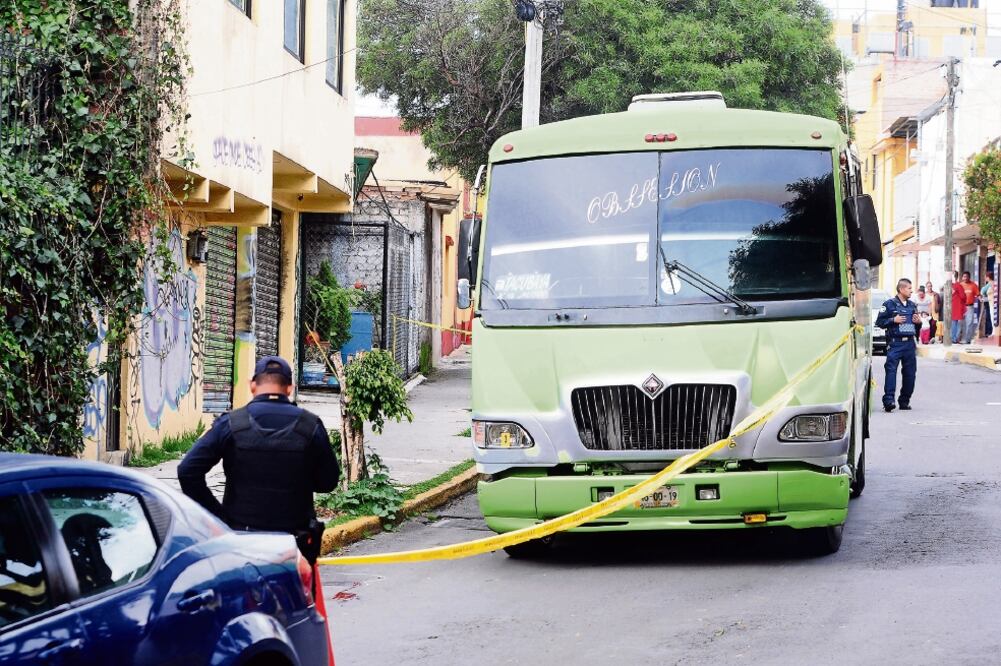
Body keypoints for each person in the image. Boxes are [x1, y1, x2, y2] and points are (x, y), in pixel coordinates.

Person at [178, 355, 339, 563]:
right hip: (294, 545)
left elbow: (187, 471)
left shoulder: (232, 424)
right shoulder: (310, 426)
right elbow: (328, 482)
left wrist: (219, 519)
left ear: (252, 385)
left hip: (241, 545)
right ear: (290, 388)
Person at [876, 278, 921, 412]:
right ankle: (889, 400)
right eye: (908, 288)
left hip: (909, 345)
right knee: (891, 371)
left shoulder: (912, 305)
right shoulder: (889, 304)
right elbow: (879, 322)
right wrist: (893, 320)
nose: (911, 290)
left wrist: (918, 322)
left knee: (910, 374)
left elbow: (916, 327)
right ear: (901, 289)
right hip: (895, 343)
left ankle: (904, 401)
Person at [959, 271, 979, 344]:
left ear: (969, 277)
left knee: (969, 323)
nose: (965, 278)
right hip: (961, 307)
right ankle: (958, 339)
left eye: (966, 276)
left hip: (970, 307)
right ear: (962, 277)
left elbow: (978, 294)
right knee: (960, 323)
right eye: (964, 276)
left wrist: (980, 297)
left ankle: (967, 340)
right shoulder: (960, 285)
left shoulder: (973, 285)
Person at [950, 273, 966, 344]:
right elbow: (963, 296)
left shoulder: (949, 286)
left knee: (953, 322)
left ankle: (952, 337)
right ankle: (955, 338)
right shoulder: (958, 285)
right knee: (957, 323)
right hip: (957, 306)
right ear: (957, 277)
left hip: (951, 306)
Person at [980, 270, 994, 338]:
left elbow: (982, 292)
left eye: (985, 277)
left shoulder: (988, 285)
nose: (985, 278)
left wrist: (982, 298)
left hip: (992, 303)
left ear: (988, 277)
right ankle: (993, 332)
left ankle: (994, 332)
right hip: (994, 303)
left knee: (992, 318)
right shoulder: (996, 283)